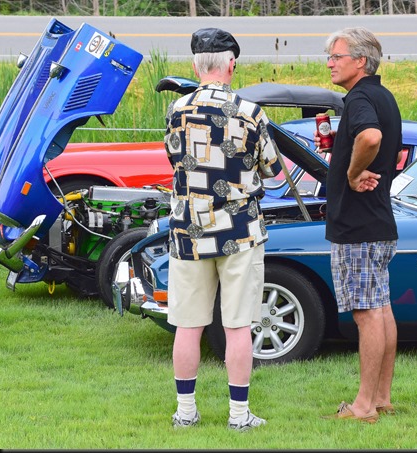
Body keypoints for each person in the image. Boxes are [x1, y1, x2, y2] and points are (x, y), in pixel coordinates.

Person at [164, 27, 281, 431]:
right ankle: (238, 415)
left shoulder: (176, 110)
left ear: (195, 65)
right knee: (237, 326)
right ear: (231, 64)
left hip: (188, 229)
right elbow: (274, 169)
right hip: (239, 231)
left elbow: (174, 161)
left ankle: (185, 411)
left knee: (187, 325)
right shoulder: (250, 112)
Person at [315, 27, 401, 423]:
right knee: (380, 309)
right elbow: (384, 148)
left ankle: (363, 406)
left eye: (336, 56)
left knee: (366, 314)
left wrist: (352, 174)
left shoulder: (361, 98)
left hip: (357, 226)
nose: (330, 63)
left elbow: (370, 136)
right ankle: (381, 398)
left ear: (360, 61)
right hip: (379, 222)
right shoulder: (384, 96)